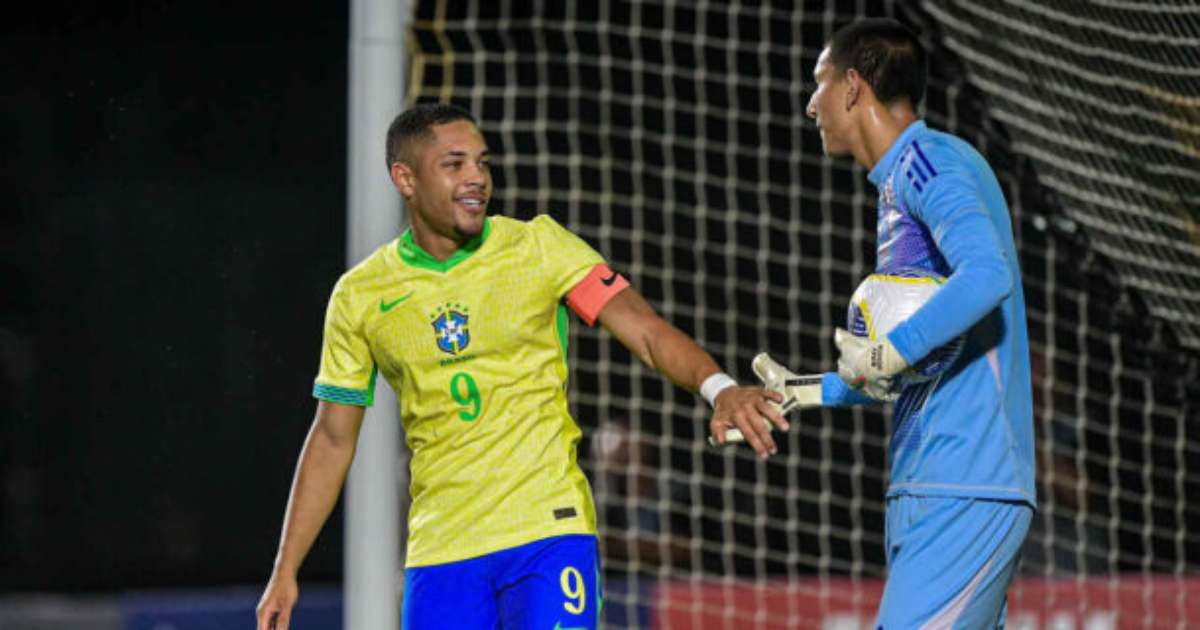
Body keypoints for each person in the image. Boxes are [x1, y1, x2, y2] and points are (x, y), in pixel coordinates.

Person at [254, 102, 787, 630]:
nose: (476, 179)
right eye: (454, 164)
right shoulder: (361, 295)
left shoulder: (538, 246)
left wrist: (717, 388)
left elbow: (645, 332)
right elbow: (331, 438)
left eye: (482, 163)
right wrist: (286, 568)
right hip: (441, 552)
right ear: (405, 179)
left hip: (546, 531)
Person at [757, 18, 1035, 628]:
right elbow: (917, 362)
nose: (811, 105)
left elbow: (988, 275)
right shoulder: (898, 186)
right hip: (928, 487)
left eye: (819, 83)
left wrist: (889, 351)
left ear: (854, 86)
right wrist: (809, 390)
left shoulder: (929, 163)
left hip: (966, 483)